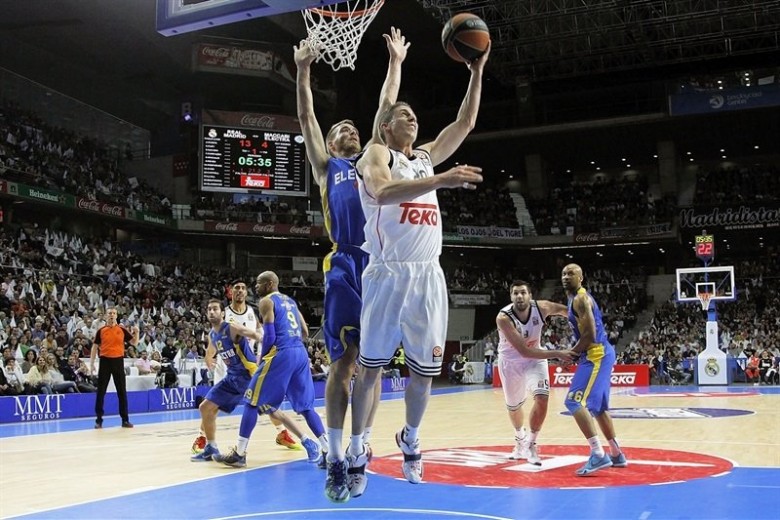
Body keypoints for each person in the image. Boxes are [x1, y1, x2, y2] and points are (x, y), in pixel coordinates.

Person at [348, 43, 490, 491]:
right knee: (369, 369)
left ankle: (410, 439)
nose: (413, 119)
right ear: (385, 126)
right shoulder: (375, 155)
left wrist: (476, 69)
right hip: (388, 273)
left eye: (414, 116)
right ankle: (358, 444)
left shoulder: (425, 155)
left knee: (424, 373)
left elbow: (465, 122)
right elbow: (384, 192)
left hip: (429, 274)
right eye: (403, 115)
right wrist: (443, 180)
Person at [295, 28, 409, 502]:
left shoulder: (369, 163)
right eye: (342, 128)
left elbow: (386, 104)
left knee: (374, 364)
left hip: (380, 263)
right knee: (342, 365)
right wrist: (303, 70)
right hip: (344, 262)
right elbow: (306, 116)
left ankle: (360, 448)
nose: (350, 131)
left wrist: (396, 62)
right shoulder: (327, 167)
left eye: (353, 129)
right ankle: (337, 456)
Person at [214, 271, 327, 468]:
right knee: (306, 407)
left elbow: (270, 336)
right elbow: (306, 332)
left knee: (251, 402)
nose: (255, 287)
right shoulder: (291, 301)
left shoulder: (267, 301)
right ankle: (328, 450)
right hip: (300, 353)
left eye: (258, 283)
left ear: (269, 284)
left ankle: (239, 453)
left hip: (280, 353)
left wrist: (264, 358)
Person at [192, 299, 318, 463]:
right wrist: (208, 358)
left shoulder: (231, 327)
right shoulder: (212, 335)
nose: (211, 312)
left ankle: (307, 441)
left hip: (248, 375)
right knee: (205, 407)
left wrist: (268, 350)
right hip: (232, 378)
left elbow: (255, 335)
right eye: (209, 309)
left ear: (222, 313)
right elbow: (210, 350)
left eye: (215, 309)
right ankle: (211, 447)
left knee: (272, 410)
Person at [495, 280, 574, 465]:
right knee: (514, 407)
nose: (519, 296)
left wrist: (581, 318)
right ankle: (520, 439)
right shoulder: (503, 318)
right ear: (511, 296)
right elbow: (524, 351)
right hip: (511, 362)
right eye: (515, 293)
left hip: (535, 360)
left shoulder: (542, 307)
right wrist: (558, 353)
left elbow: (565, 311)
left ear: (530, 296)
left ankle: (531, 443)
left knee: (542, 398)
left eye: (523, 292)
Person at [561, 263, 628, 475]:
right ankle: (617, 453)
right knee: (598, 408)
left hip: (595, 354)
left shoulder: (581, 298)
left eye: (571, 273)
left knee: (573, 401)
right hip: (598, 353)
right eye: (563, 274)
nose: (566, 277)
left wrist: (570, 354)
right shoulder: (573, 299)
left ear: (581, 278)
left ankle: (598, 454)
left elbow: (589, 334)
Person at [90, 307, 139, 429]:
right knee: (101, 392)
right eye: (109, 313)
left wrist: (137, 333)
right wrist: (91, 363)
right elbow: (95, 347)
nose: (111, 315)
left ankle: (125, 420)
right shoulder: (101, 330)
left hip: (118, 361)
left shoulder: (122, 329)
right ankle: (99, 420)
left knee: (122, 392)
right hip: (105, 361)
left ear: (116, 315)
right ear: (106, 316)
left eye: (113, 313)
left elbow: (134, 343)